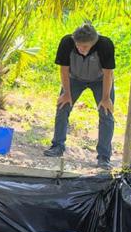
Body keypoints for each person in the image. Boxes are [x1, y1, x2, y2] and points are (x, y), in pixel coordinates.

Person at [44, 23, 116, 169]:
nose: (81, 49)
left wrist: (106, 98)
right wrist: (66, 93)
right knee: (63, 106)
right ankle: (57, 146)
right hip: (74, 78)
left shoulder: (105, 45)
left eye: (85, 47)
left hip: (100, 80)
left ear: (93, 43)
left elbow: (108, 73)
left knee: (106, 113)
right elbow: (64, 70)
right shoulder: (66, 42)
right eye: (78, 46)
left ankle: (104, 156)